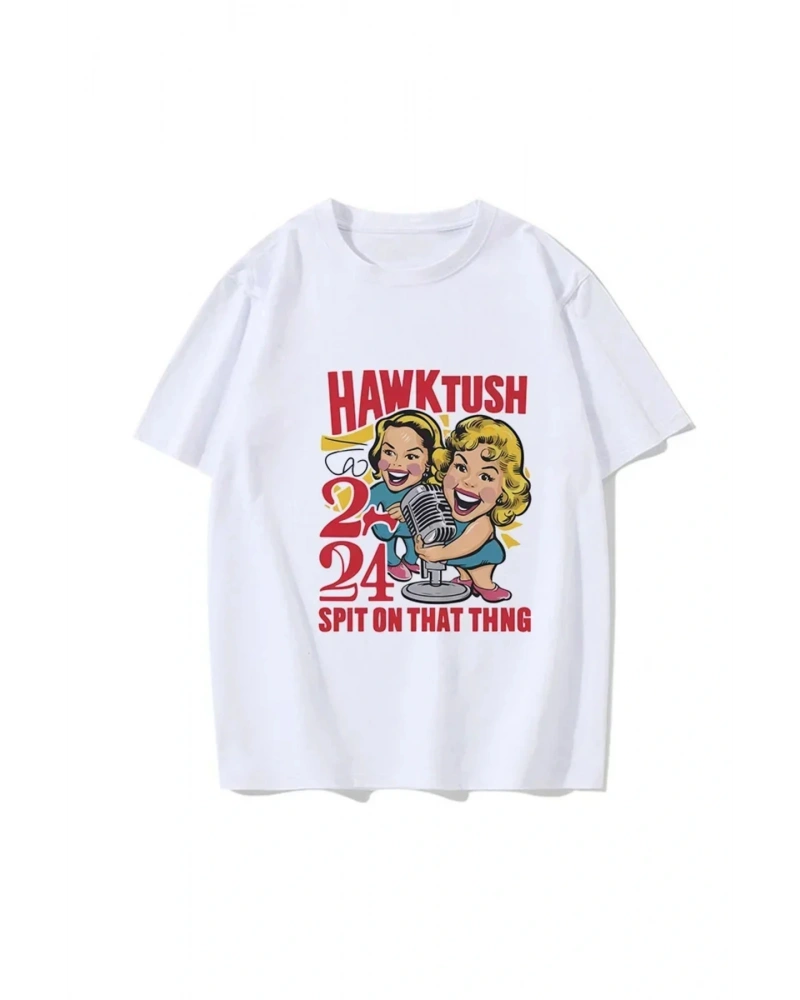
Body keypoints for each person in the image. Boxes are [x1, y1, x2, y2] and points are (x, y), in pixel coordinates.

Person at [415, 415, 531, 602]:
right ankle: (465, 579)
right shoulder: (444, 509)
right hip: (455, 552)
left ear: (504, 491)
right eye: (461, 467)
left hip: (481, 555)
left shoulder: (482, 523)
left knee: (479, 573)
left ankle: (486, 586)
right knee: (463, 568)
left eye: (485, 477)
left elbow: (467, 544)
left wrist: (440, 554)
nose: (469, 481)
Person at [367, 410, 444, 582]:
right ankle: (392, 561)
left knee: (414, 542)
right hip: (389, 529)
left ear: (428, 463)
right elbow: (367, 515)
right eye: (389, 453)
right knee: (388, 536)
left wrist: (410, 512)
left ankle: (410, 560)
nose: (397, 464)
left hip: (414, 530)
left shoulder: (427, 491)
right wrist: (384, 519)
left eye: (411, 456)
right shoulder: (378, 491)